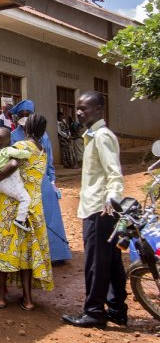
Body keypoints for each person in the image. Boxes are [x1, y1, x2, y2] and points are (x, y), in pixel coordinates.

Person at [62, 91, 127, 329]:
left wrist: (111, 200)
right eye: (78, 108)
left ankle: (94, 312)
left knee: (96, 263)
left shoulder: (101, 136)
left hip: (100, 209)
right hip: (99, 207)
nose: (79, 112)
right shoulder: (92, 136)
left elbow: (114, 174)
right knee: (111, 262)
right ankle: (117, 309)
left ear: (99, 109)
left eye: (85, 108)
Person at [0, 114, 54, 310]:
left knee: (4, 248)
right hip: (33, 206)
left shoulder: (23, 146)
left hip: (11, 204)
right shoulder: (42, 151)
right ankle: (28, 299)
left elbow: (12, 164)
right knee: (26, 253)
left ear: (25, 129)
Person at [10, 100, 72, 264]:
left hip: (42, 182)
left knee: (50, 216)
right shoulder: (13, 136)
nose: (25, 118)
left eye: (27, 115)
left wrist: (52, 181)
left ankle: (56, 255)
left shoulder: (44, 136)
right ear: (17, 118)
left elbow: (49, 161)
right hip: (22, 182)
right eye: (22, 115)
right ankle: (30, 256)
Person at [0, 127, 32, 231]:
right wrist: (27, 152)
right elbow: (19, 154)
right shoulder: (7, 150)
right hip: (8, 182)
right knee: (25, 198)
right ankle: (20, 220)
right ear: (10, 141)